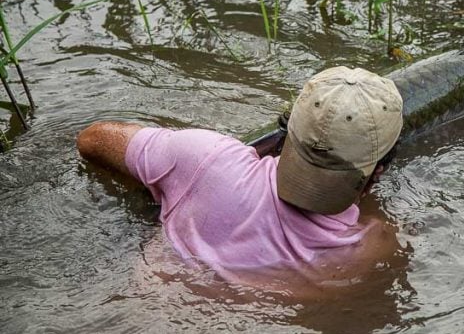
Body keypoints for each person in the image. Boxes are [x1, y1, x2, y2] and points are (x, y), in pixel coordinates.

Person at [77, 66, 405, 298]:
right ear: (378, 171)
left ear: (287, 126)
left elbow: (92, 140)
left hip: (134, 302)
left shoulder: (204, 158)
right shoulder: (366, 247)